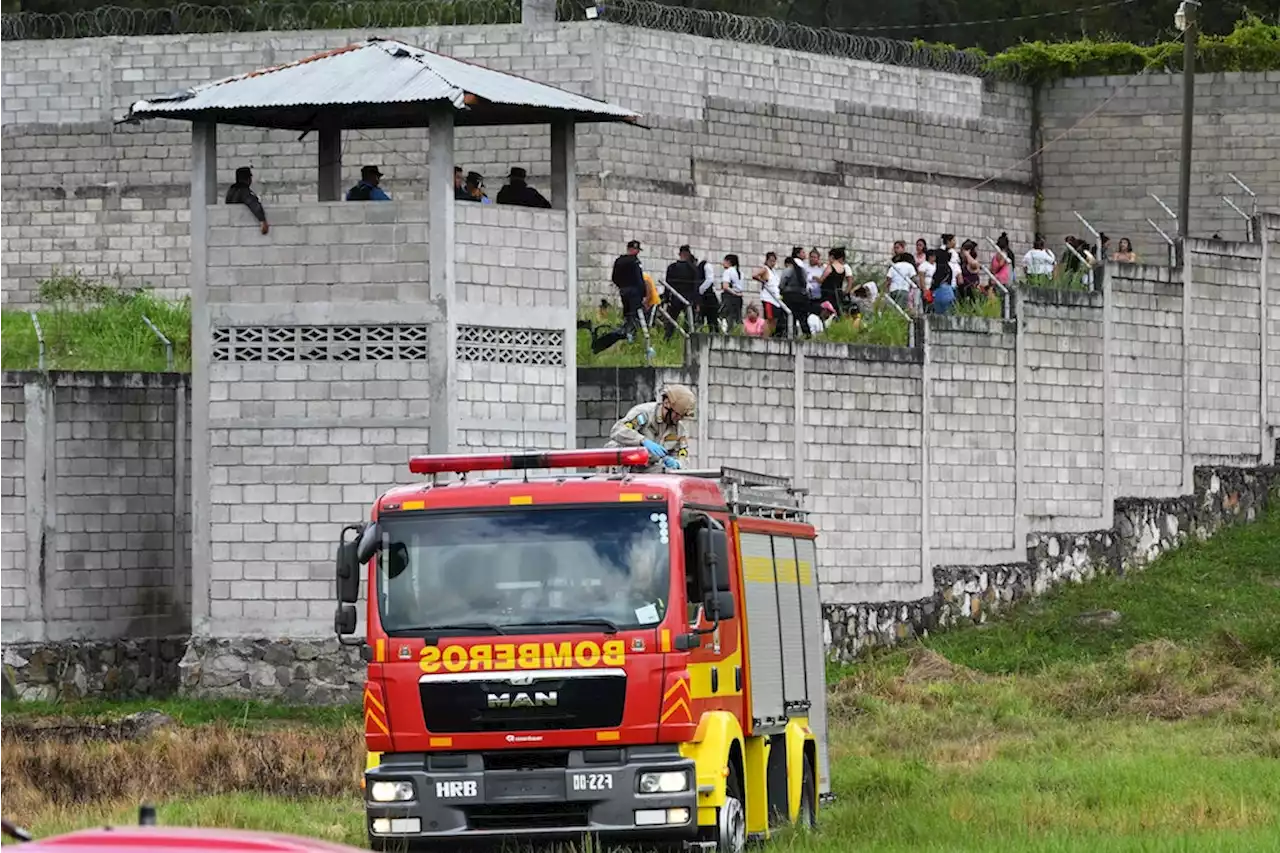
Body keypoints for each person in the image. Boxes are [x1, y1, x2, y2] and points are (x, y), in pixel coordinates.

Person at [605, 384, 697, 473]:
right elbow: (617, 431)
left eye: (681, 417)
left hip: (646, 468)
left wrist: (677, 464)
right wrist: (642, 441)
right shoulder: (644, 414)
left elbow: (683, 453)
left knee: (665, 474)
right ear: (666, 405)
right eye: (676, 415)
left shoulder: (679, 430)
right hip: (621, 464)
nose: (678, 419)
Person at [591, 239, 648, 355]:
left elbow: (614, 278)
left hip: (624, 292)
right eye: (636, 250)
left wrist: (622, 287)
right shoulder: (635, 262)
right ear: (634, 250)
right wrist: (643, 294)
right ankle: (632, 340)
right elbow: (639, 280)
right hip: (634, 293)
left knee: (627, 316)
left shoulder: (619, 261)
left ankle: (627, 337)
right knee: (635, 318)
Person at [225, 166, 269, 234]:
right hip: (240, 226)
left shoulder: (232, 190)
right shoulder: (243, 190)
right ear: (247, 179)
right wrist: (262, 220)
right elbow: (253, 204)